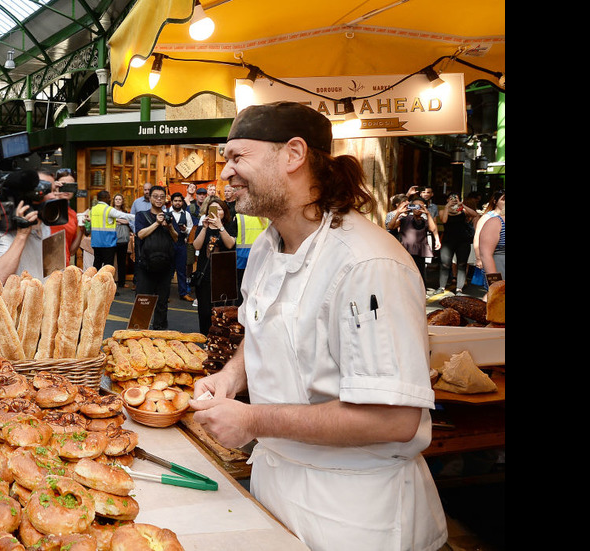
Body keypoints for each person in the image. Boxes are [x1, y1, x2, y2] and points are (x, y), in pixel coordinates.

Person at [187, 101, 447, 551]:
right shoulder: (270, 247)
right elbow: (264, 327)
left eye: (237, 156)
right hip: (276, 488)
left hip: (354, 514)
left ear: (293, 154)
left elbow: (394, 418)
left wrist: (252, 419)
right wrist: (231, 376)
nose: (225, 173)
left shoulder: (368, 263)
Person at [0, 170, 54, 280]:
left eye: (54, 190)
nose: (53, 195)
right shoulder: (5, 232)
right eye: (46, 189)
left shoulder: (45, 226)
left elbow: (51, 268)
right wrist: (22, 235)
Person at [133, 185, 178, 330]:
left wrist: (169, 226)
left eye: (162, 197)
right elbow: (140, 234)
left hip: (165, 266)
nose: (159, 199)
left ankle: (160, 331)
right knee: (143, 300)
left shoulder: (169, 216)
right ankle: (139, 332)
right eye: (156, 196)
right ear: (150, 198)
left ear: (165, 199)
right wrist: (157, 223)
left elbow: (177, 238)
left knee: (162, 302)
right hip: (145, 265)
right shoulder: (141, 215)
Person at [191, 196, 236, 333]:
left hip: (223, 276)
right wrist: (204, 228)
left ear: (225, 212)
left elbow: (229, 244)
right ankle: (205, 337)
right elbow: (196, 246)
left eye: (220, 209)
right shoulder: (202, 227)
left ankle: (219, 341)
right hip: (205, 275)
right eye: (213, 209)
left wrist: (220, 227)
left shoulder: (229, 226)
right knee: (204, 312)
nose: (216, 212)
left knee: (221, 312)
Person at [387, 194, 440, 292]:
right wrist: (398, 213)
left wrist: (428, 213)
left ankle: (419, 292)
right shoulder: (404, 219)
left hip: (420, 251)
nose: (417, 208)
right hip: (406, 250)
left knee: (420, 273)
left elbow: (433, 229)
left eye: (420, 206)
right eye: (415, 206)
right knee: (405, 273)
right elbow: (390, 227)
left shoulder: (425, 220)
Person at [434, 192, 479, 295]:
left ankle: (459, 288)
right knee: (445, 264)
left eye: (455, 198)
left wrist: (461, 205)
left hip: (463, 240)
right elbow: (444, 220)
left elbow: (474, 214)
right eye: (451, 198)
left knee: (462, 264)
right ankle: (441, 287)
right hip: (448, 240)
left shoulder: (462, 210)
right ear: (447, 200)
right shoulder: (443, 211)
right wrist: (447, 207)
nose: (453, 200)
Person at [89, 189, 135, 273]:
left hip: (96, 242)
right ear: (105, 198)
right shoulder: (108, 209)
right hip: (107, 242)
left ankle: (94, 283)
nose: (110, 199)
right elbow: (124, 215)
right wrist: (139, 217)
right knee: (108, 267)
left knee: (97, 264)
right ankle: (106, 283)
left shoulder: (93, 209)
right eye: (109, 197)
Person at [234, 211, 269, 298]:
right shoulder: (267, 218)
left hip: (241, 258)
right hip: (261, 257)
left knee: (241, 292)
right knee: (257, 290)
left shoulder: (239, 217)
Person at [168, 192, 195, 302]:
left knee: (182, 270)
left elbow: (191, 229)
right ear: (172, 202)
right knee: (168, 271)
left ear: (182, 202)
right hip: (168, 245)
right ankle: (165, 294)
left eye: (179, 201)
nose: (178, 203)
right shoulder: (166, 212)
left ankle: (183, 293)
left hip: (181, 244)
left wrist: (185, 230)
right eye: (175, 201)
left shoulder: (187, 214)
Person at [54, 168, 84, 264]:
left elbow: (71, 251)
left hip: (63, 266)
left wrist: (81, 231)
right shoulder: (44, 207)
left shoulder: (73, 214)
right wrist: (50, 190)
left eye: (70, 186)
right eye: (63, 185)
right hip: (41, 267)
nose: (66, 189)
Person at [477, 190, 505, 280]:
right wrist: (494, 282)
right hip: (499, 267)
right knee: (496, 293)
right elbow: (486, 254)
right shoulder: (494, 221)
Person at [112, 193, 133, 289]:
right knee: (111, 263)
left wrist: (119, 221)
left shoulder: (125, 212)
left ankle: (122, 282)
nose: (118, 201)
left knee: (122, 263)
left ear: (122, 201)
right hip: (112, 239)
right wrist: (121, 221)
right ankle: (111, 282)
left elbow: (129, 222)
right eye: (116, 199)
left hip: (123, 239)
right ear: (113, 201)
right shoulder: (110, 211)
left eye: (120, 199)